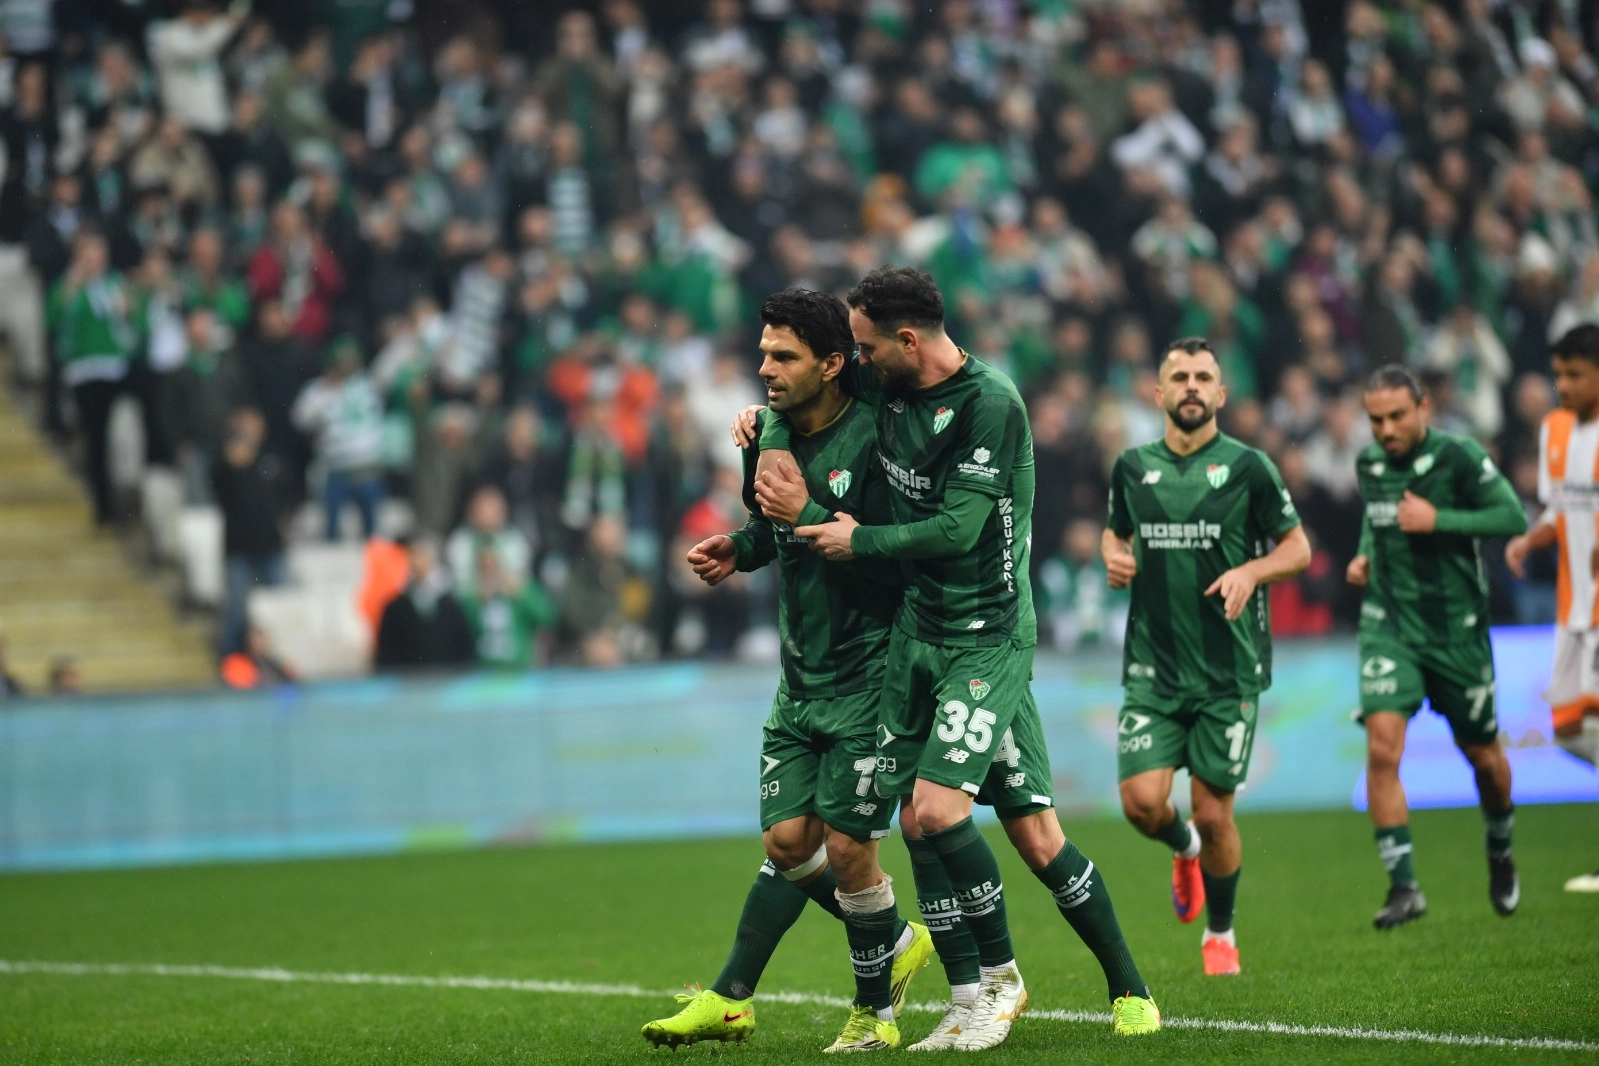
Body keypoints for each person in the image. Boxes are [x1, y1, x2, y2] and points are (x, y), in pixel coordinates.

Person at [757, 268, 1161, 1046]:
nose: (858, 360)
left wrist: (853, 538)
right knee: (928, 825)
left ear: (907, 341)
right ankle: (968, 995)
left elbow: (958, 530)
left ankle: (1085, 987)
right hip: (917, 635)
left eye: (867, 347)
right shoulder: (886, 381)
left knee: (991, 826)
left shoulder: (989, 404)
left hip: (987, 638)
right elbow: (801, 400)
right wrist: (763, 428)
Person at [646, 290, 934, 1052]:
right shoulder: (766, 433)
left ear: (832, 364)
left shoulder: (877, 439)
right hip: (800, 678)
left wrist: (807, 513)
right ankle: (892, 941)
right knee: (785, 842)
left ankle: (871, 1017)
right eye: (763, 354)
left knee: (848, 850)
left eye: (784, 357)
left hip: (869, 675)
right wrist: (738, 549)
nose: (766, 370)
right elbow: (769, 529)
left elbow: (893, 562)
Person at [1102, 338, 1311, 976]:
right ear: (1158, 393)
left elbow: (1297, 548)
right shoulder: (1132, 467)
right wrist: (1113, 555)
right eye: (1179, 377)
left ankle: (1220, 933)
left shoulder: (1249, 467)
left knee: (1216, 814)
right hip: (1154, 668)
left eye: (1202, 377)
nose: (1190, 386)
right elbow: (1115, 531)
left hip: (1228, 671)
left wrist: (1252, 570)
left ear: (1220, 393)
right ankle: (1183, 847)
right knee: (1141, 804)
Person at [1348, 365, 1528, 928]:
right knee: (1382, 750)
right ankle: (1404, 887)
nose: (1386, 430)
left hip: (1456, 633)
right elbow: (1377, 519)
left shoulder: (1460, 457)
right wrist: (1365, 553)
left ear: (1423, 407)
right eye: (1376, 419)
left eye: (1396, 416)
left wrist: (1438, 519)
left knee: (1485, 760)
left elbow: (1512, 515)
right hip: (1389, 626)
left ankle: (1500, 847)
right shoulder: (1369, 463)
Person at [1505, 325, 1599, 892]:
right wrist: (1528, 540)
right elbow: (1560, 510)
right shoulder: (1556, 429)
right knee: (1567, 732)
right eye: (1559, 374)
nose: (1564, 385)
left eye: (1576, 375)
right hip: (1572, 611)